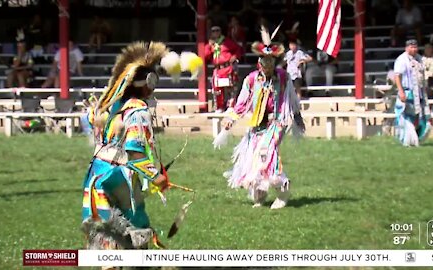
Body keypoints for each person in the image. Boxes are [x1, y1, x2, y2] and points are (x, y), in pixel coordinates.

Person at [81, 41, 202, 253]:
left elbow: (91, 119)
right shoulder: (138, 111)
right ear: (148, 82)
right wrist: (156, 176)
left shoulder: (114, 104)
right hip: (119, 177)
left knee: (107, 230)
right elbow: (135, 153)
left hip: (97, 175)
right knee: (136, 225)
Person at [221, 26, 305, 209]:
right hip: (257, 124)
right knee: (252, 159)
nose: (267, 67)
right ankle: (260, 193)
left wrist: (297, 117)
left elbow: (291, 97)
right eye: (264, 63)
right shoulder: (251, 80)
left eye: (270, 63)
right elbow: (242, 102)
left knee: (265, 152)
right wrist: (230, 118)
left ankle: (283, 190)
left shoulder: (283, 77)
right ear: (259, 63)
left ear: (274, 62)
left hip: (277, 122)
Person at [393, 39, 430, 147]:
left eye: (415, 47)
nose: (413, 49)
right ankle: (406, 140)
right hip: (407, 91)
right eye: (411, 47)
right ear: (406, 48)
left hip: (419, 92)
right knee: (406, 116)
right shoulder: (401, 60)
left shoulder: (419, 59)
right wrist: (401, 91)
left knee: (419, 116)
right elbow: (397, 76)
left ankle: (416, 139)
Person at [205, 25, 243, 112]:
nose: (215, 33)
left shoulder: (227, 42)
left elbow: (238, 49)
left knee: (231, 88)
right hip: (218, 69)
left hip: (227, 67)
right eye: (213, 31)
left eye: (217, 31)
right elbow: (205, 55)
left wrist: (235, 56)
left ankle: (231, 106)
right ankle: (220, 107)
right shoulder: (211, 44)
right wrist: (209, 46)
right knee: (217, 90)